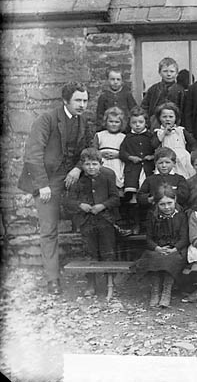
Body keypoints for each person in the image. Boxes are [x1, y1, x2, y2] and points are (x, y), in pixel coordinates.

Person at [18, 82, 92, 294]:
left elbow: (88, 148)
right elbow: (33, 155)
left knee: (89, 217)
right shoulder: (47, 119)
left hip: (70, 179)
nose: (82, 105)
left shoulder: (83, 121)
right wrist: (42, 185)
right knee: (49, 229)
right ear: (65, 100)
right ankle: (52, 279)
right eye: (78, 100)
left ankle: (92, 277)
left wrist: (78, 168)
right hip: (47, 180)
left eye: (85, 100)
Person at [64, 148, 119, 297]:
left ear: (101, 164)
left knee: (108, 251)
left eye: (94, 164)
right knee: (90, 252)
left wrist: (102, 205)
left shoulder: (108, 175)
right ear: (82, 165)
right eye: (87, 164)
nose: (91, 167)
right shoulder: (78, 179)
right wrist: (80, 205)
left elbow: (115, 198)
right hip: (86, 221)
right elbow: (68, 201)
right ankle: (91, 283)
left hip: (105, 219)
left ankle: (110, 283)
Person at [134, 185, 189, 307]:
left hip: (176, 248)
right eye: (162, 204)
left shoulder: (181, 215)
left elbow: (184, 238)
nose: (167, 207)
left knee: (171, 259)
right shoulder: (152, 216)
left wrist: (174, 249)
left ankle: (166, 291)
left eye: (169, 203)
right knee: (154, 258)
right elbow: (148, 238)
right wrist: (157, 248)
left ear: (175, 199)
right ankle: (155, 291)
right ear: (156, 204)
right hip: (158, 248)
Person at [119, 106, 156, 234]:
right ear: (129, 124)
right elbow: (122, 153)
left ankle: (149, 227)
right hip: (133, 171)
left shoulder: (150, 136)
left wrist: (152, 156)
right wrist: (130, 157)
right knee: (133, 198)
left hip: (147, 170)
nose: (137, 125)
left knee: (148, 197)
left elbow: (157, 149)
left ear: (146, 122)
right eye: (134, 123)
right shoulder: (128, 138)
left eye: (140, 122)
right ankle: (136, 225)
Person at [152, 102, 197, 179]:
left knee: (184, 176)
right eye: (164, 117)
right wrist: (164, 134)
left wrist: (192, 153)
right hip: (167, 158)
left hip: (182, 158)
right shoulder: (158, 132)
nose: (167, 119)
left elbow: (192, 142)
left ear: (175, 118)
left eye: (171, 117)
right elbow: (154, 145)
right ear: (159, 118)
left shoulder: (180, 130)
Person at [141, 57, 184, 128]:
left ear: (176, 73)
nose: (169, 74)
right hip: (155, 124)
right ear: (159, 72)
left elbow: (183, 109)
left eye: (172, 71)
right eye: (165, 71)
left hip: (174, 124)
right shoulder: (153, 89)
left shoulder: (180, 90)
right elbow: (144, 107)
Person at [93, 106, 126, 190]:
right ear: (106, 122)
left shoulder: (123, 137)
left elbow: (127, 152)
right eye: (111, 121)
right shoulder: (99, 135)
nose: (113, 124)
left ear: (121, 123)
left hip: (117, 163)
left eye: (117, 122)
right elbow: (93, 151)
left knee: (116, 182)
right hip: (103, 162)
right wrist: (100, 154)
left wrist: (118, 155)